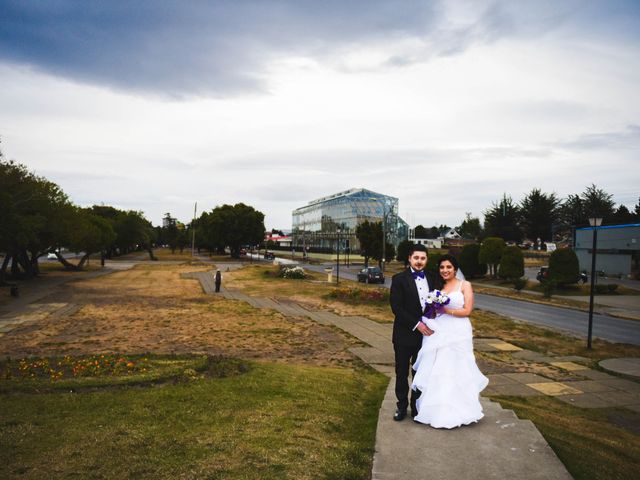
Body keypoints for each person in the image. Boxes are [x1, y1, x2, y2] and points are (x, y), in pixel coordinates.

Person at [411, 254, 488, 429]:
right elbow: (432, 310)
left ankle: (462, 410)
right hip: (440, 330)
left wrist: (446, 310)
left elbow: (467, 310)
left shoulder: (464, 285)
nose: (445, 270)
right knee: (440, 369)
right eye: (442, 267)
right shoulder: (438, 286)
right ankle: (438, 411)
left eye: (448, 267)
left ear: (455, 268)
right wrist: (433, 310)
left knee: (459, 368)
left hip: (459, 332)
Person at [389, 244, 437, 421]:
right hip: (403, 335)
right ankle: (401, 408)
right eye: (416, 258)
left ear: (426, 260)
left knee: (420, 374)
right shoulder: (398, 279)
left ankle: (416, 408)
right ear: (410, 258)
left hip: (425, 338)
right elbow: (397, 308)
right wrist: (417, 324)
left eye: (423, 258)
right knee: (401, 373)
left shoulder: (432, 278)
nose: (419, 261)